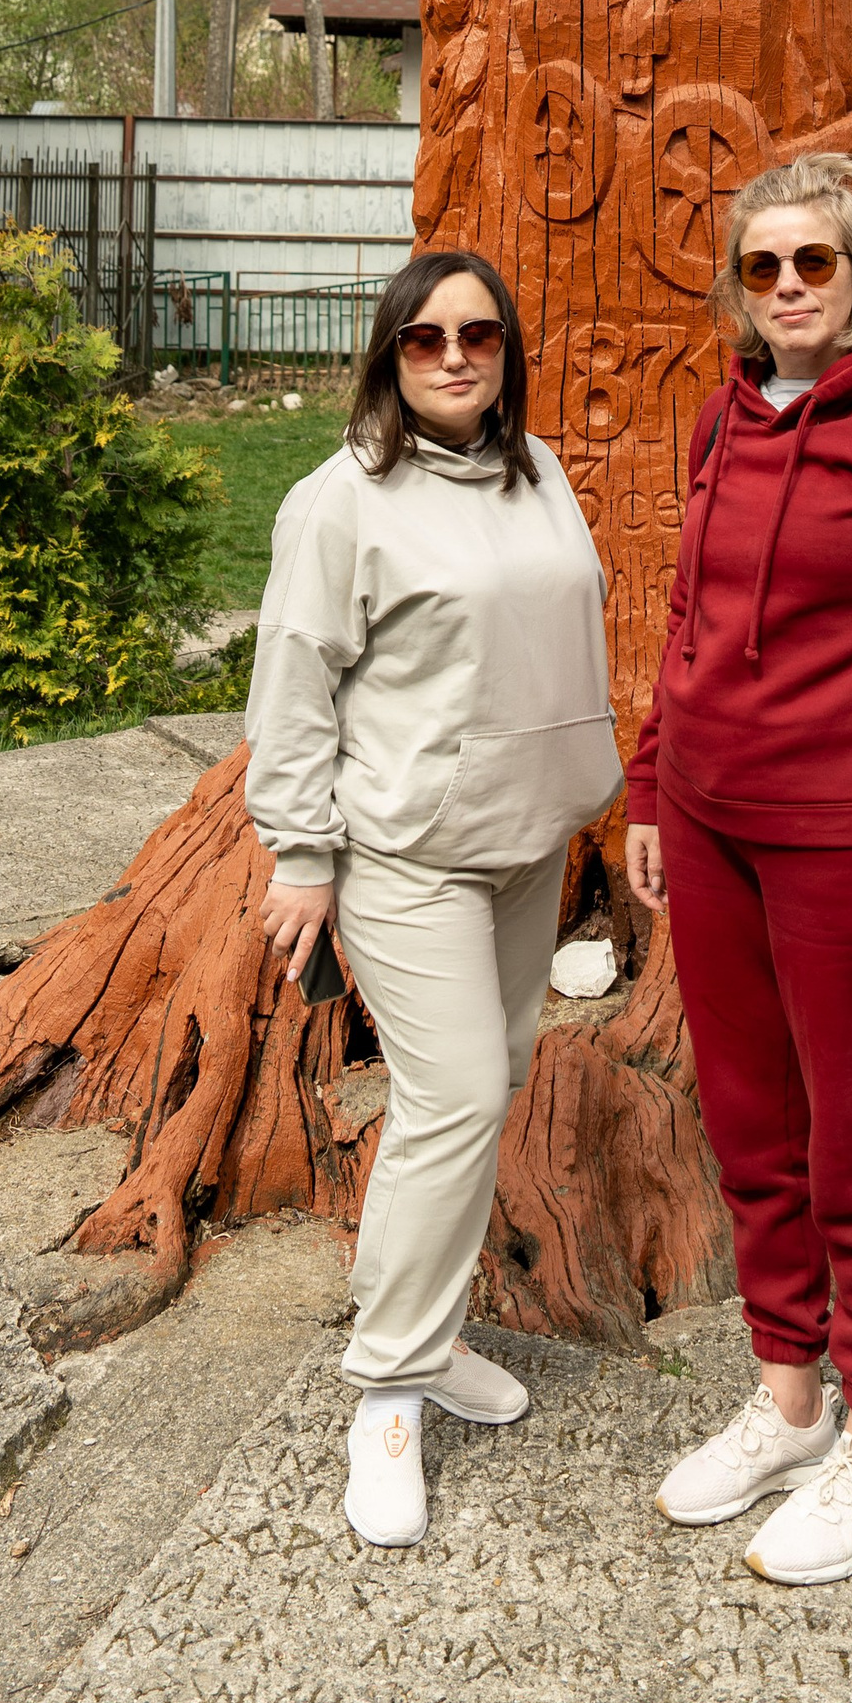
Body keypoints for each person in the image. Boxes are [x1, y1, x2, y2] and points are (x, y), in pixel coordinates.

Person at [624, 155, 852, 1585]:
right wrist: (657, 782)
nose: (788, 285)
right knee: (750, 1125)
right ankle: (790, 1400)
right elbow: (687, 614)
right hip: (714, 831)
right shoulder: (728, 413)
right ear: (742, 283)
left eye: (815, 262)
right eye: (765, 263)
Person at [245, 250, 621, 1549]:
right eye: (425, 338)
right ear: (388, 354)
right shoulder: (341, 501)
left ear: (507, 348)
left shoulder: (538, 471)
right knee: (454, 1093)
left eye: (479, 333)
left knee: (487, 1081)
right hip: (407, 851)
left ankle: (432, 1324)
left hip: (524, 844)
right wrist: (301, 852)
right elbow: (295, 678)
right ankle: (387, 1388)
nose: (455, 355)